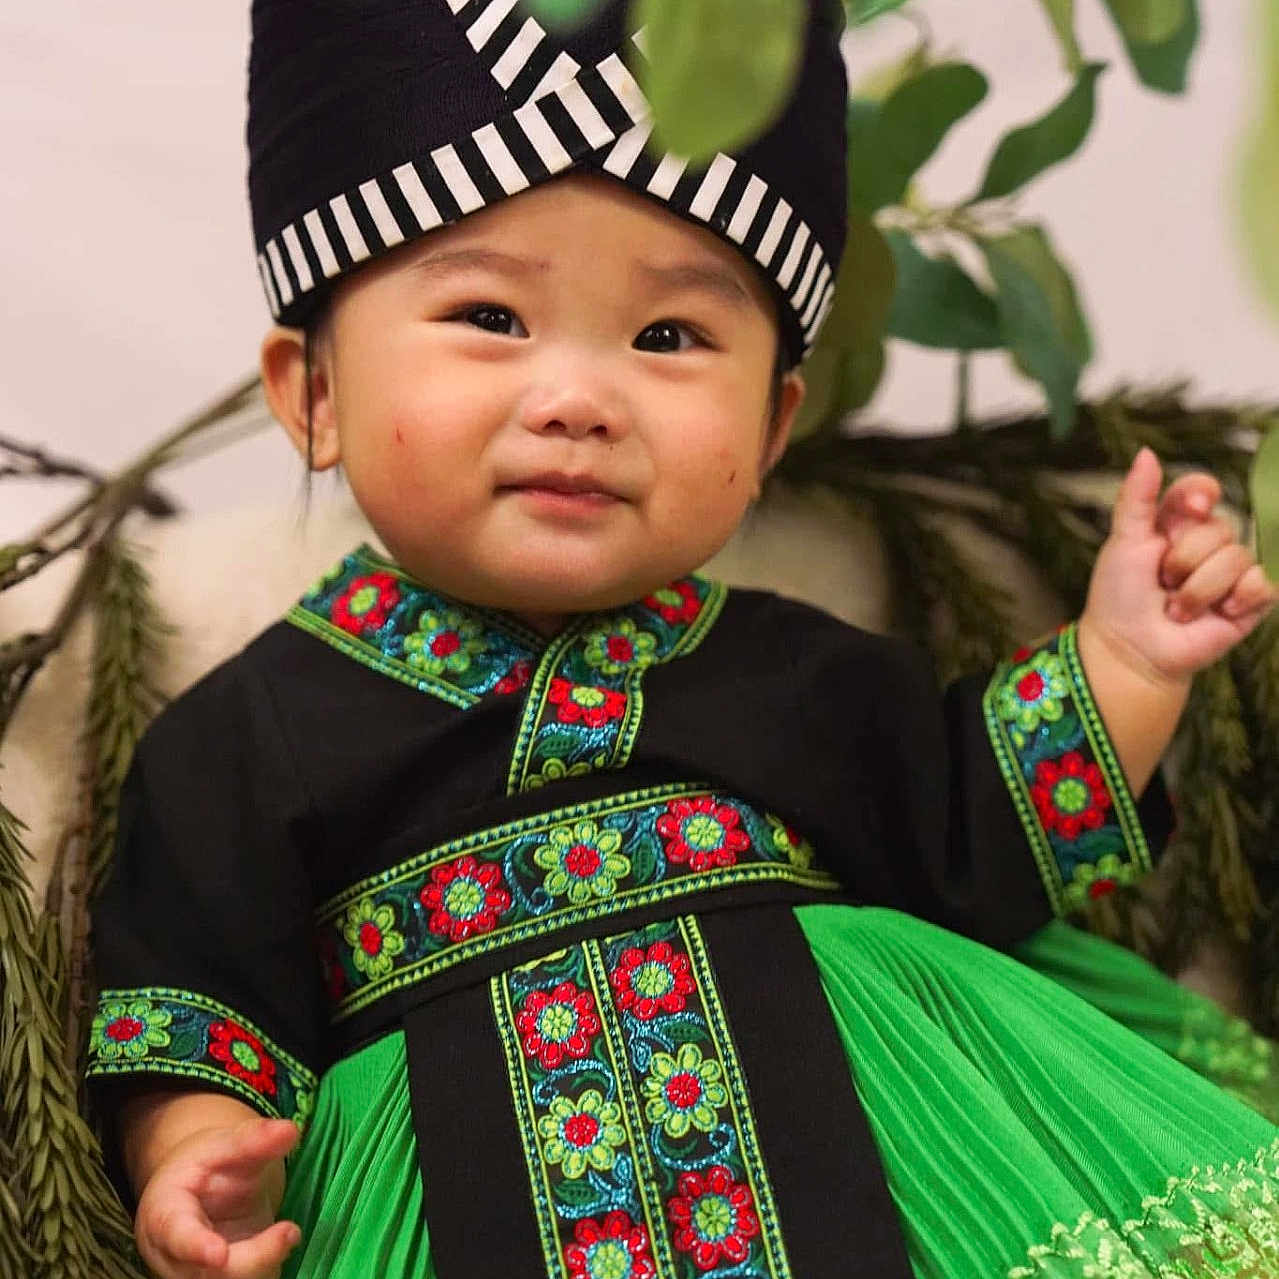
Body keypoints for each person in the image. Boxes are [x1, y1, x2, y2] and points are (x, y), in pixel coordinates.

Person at [85, 2, 1279, 1277]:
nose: (577, 400)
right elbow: (200, 999)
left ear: (770, 429)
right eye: (490, 316)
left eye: (668, 337)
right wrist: (196, 1155)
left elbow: (976, 832)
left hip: (872, 1156)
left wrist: (1130, 659)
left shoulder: (799, 674)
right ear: (313, 392)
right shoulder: (243, 738)